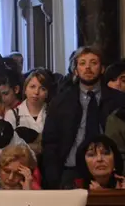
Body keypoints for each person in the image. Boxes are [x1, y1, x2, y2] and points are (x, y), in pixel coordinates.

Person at [43, 46, 125, 188]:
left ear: (102, 68)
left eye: (93, 63)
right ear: (75, 70)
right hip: (70, 170)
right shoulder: (60, 102)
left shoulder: (119, 100)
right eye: (82, 63)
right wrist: (54, 178)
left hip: (109, 171)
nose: (88, 67)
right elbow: (50, 142)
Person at [7, 69, 51, 154]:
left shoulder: (53, 113)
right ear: (25, 90)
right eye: (32, 87)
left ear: (47, 93)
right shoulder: (12, 114)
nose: (36, 92)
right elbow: (9, 146)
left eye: (42, 88)